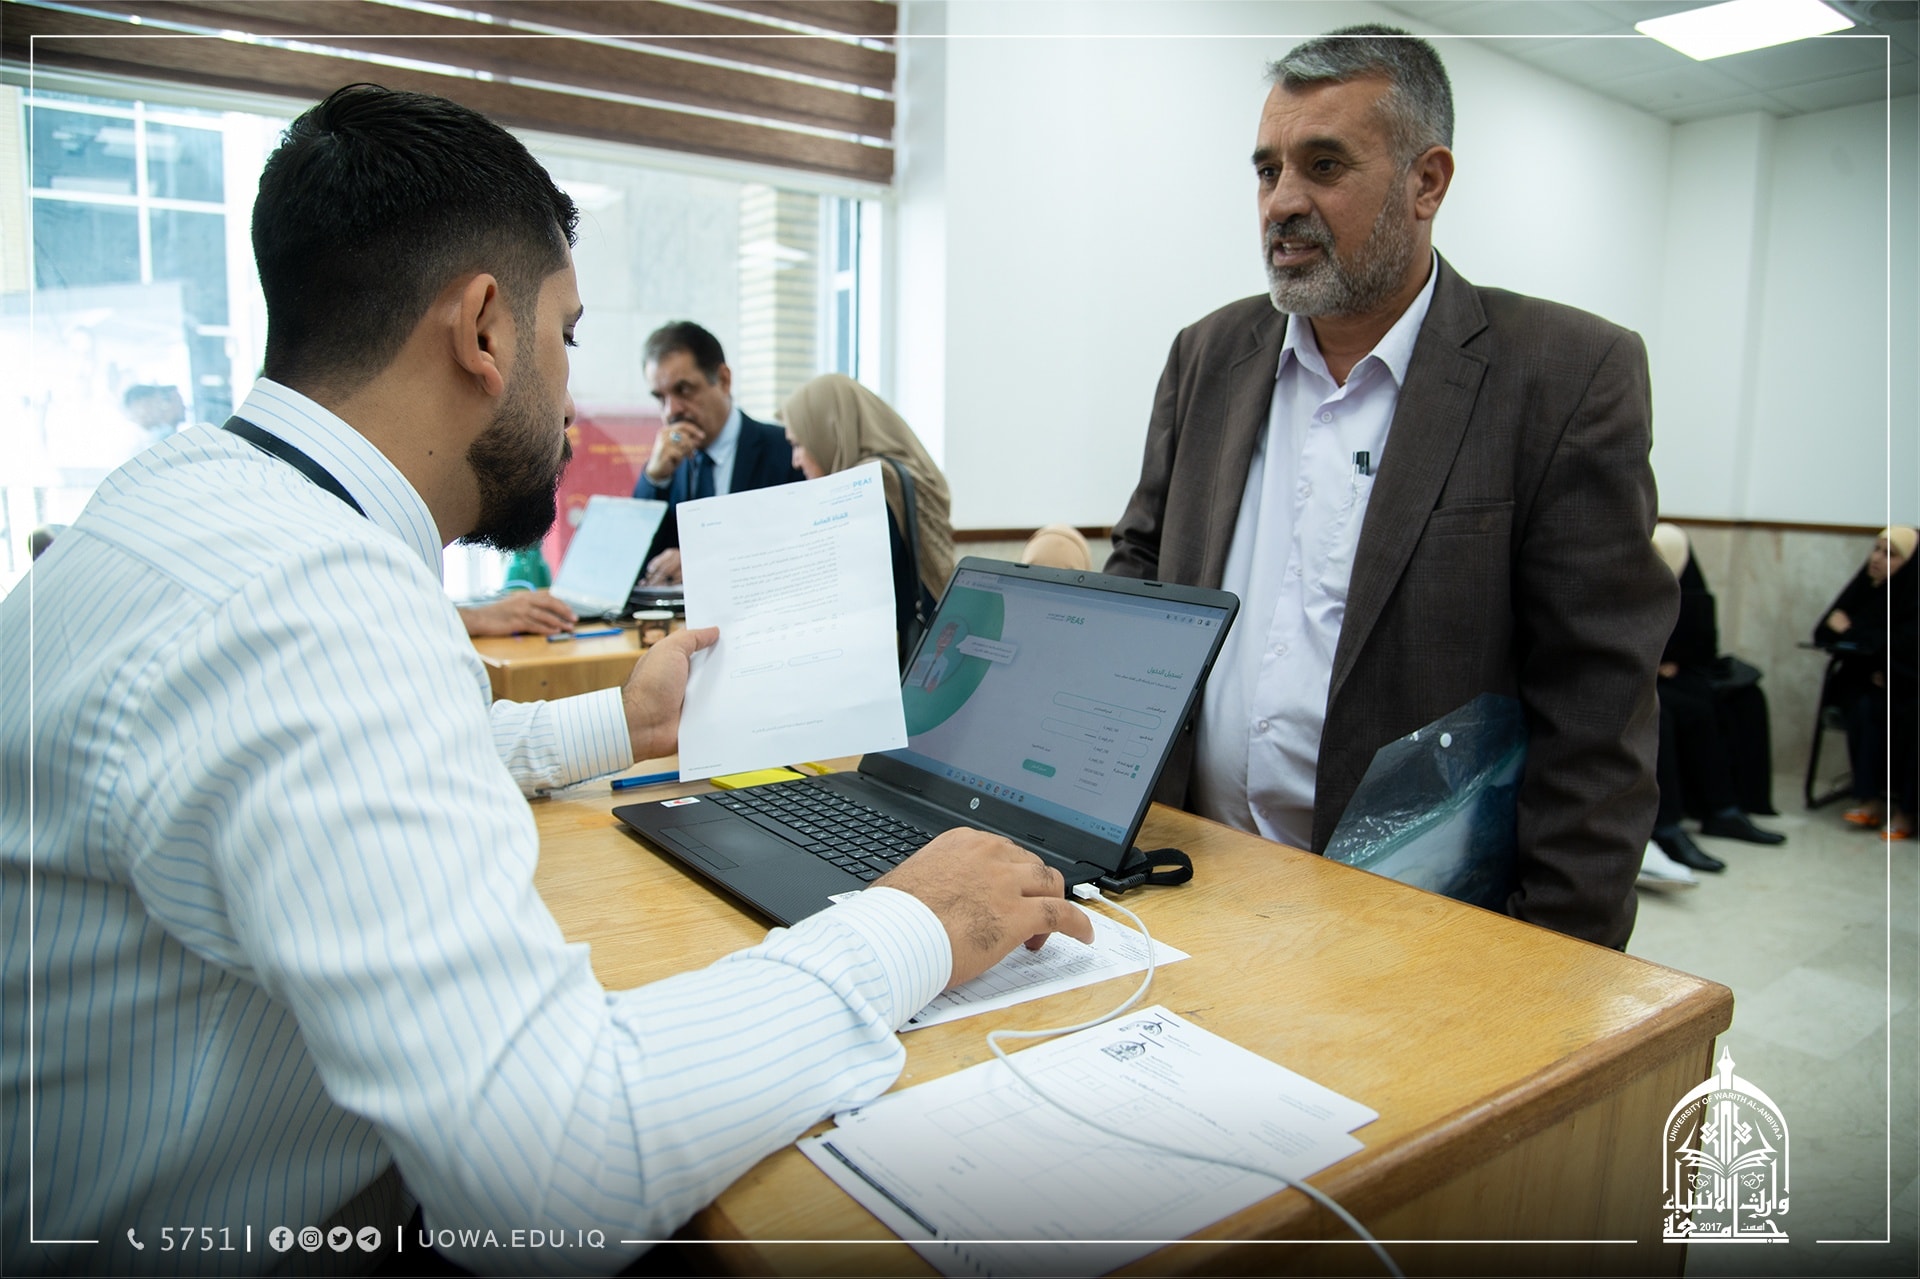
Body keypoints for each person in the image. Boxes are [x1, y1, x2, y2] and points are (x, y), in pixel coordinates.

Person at [0, 84, 1089, 1278]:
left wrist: (628, 714)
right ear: (483, 329)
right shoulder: (312, 599)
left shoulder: (190, 505)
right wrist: (915, 921)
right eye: (566, 337)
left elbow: (407, 749)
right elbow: (556, 1172)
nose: (571, 398)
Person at [1105, 26, 1675, 948]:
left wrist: (1558, 968)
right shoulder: (1208, 355)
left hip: (1414, 929)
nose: (1282, 202)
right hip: (1187, 881)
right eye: (1267, 171)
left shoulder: (1564, 375)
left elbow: (1595, 713)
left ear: (1427, 181)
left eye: (1324, 165)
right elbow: (1140, 570)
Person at [781, 373, 955, 667]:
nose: (795, 460)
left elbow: (846, 590)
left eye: (798, 444)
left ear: (828, 432)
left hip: (897, 661)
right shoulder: (902, 469)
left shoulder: (870, 484)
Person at [1647, 523, 1785, 874]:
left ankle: (1723, 811)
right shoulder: (1636, 584)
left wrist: (1668, 660)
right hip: (1637, 680)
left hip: (1672, 679)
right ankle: (1666, 826)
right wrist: (1659, 662)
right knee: (1661, 713)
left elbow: (1701, 648)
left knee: (1711, 705)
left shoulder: (1691, 592)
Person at [630, 321, 803, 586]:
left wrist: (702, 564)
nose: (671, 411)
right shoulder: (667, 465)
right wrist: (654, 478)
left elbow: (798, 547)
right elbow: (635, 560)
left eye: (683, 390)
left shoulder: (786, 450)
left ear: (723, 380)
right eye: (660, 398)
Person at [1815, 525, 1919, 839]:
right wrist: (1870, 643)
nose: (1876, 559)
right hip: (1867, 683)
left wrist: (1852, 631)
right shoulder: (1865, 587)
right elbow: (1824, 630)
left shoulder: (1912, 594)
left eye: (1890, 554)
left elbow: (1905, 645)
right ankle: (1869, 801)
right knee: (1864, 707)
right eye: (1876, 550)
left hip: (1908, 685)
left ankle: (1907, 812)